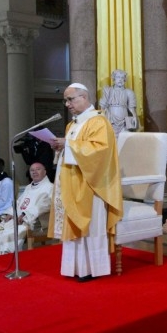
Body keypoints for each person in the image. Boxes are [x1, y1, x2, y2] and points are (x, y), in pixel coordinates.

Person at [49, 83, 122, 282]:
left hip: (91, 183)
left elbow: (100, 151)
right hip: (72, 180)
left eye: (70, 99)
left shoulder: (98, 122)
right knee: (73, 222)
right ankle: (75, 268)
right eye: (65, 100)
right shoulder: (72, 124)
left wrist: (69, 145)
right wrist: (60, 147)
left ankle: (92, 268)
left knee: (91, 225)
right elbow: (73, 148)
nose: (67, 104)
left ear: (84, 97)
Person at [0, 162, 53, 256]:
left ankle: (8, 258)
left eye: (38, 169)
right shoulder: (29, 187)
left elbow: (47, 205)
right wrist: (11, 213)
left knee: (6, 235)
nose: (34, 172)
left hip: (36, 221)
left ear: (45, 172)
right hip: (19, 219)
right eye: (32, 170)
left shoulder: (50, 187)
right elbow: (19, 202)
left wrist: (25, 214)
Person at [99, 69, 138, 136]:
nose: (120, 79)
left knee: (124, 140)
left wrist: (134, 118)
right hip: (110, 120)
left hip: (124, 121)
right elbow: (102, 106)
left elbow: (132, 109)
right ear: (114, 78)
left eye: (122, 77)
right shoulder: (108, 90)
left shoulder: (129, 92)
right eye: (118, 77)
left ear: (125, 79)